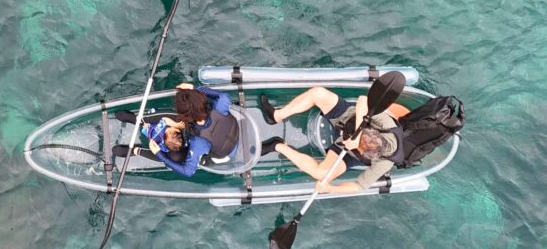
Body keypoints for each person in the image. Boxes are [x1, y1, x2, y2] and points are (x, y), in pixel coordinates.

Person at [257, 87, 404, 194]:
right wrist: (357, 134)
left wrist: (331, 189)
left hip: (347, 153)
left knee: (320, 174)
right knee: (317, 93)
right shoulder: (387, 125)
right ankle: (276, 115)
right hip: (347, 119)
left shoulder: (384, 163)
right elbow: (363, 100)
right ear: (374, 133)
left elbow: (359, 186)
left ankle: (276, 145)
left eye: (361, 146)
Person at [111, 83, 240, 177]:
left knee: (174, 156)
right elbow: (224, 95)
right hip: (226, 133)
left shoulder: (198, 142)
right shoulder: (220, 104)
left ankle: (135, 150)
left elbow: (187, 171)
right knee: (172, 119)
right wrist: (194, 89)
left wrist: (160, 155)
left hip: (218, 153)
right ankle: (139, 121)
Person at [111, 110, 187, 164]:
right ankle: (140, 121)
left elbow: (164, 120)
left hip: (152, 135)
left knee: (171, 158)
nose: (168, 129)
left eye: (169, 130)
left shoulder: (164, 138)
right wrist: (175, 124)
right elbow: (164, 119)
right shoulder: (166, 144)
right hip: (152, 131)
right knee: (180, 119)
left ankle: (136, 150)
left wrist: (156, 151)